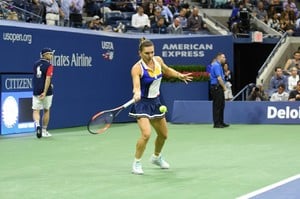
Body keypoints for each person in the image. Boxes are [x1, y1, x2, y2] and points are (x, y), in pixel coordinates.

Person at [129, 38, 193, 175]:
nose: (150, 55)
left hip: (155, 102)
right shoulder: (136, 68)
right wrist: (137, 93)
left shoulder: (157, 60)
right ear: (139, 53)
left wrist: (179, 75)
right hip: (142, 104)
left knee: (163, 135)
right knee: (146, 134)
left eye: (152, 52)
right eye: (147, 53)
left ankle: (156, 157)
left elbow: (166, 70)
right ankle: (137, 162)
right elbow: (136, 86)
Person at [32, 47, 55, 138]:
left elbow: (37, 77)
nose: (51, 55)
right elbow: (47, 78)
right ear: (45, 55)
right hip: (47, 92)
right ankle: (44, 131)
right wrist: (45, 92)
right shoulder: (49, 65)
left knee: (36, 110)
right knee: (46, 110)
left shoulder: (35, 64)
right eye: (50, 54)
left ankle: (37, 125)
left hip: (36, 90)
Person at [209, 53, 229, 128]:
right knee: (217, 106)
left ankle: (221, 122)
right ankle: (216, 123)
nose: (225, 59)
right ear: (219, 58)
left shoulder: (219, 66)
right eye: (223, 57)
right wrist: (224, 87)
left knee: (221, 105)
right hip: (216, 87)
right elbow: (219, 78)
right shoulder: (216, 65)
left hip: (218, 88)